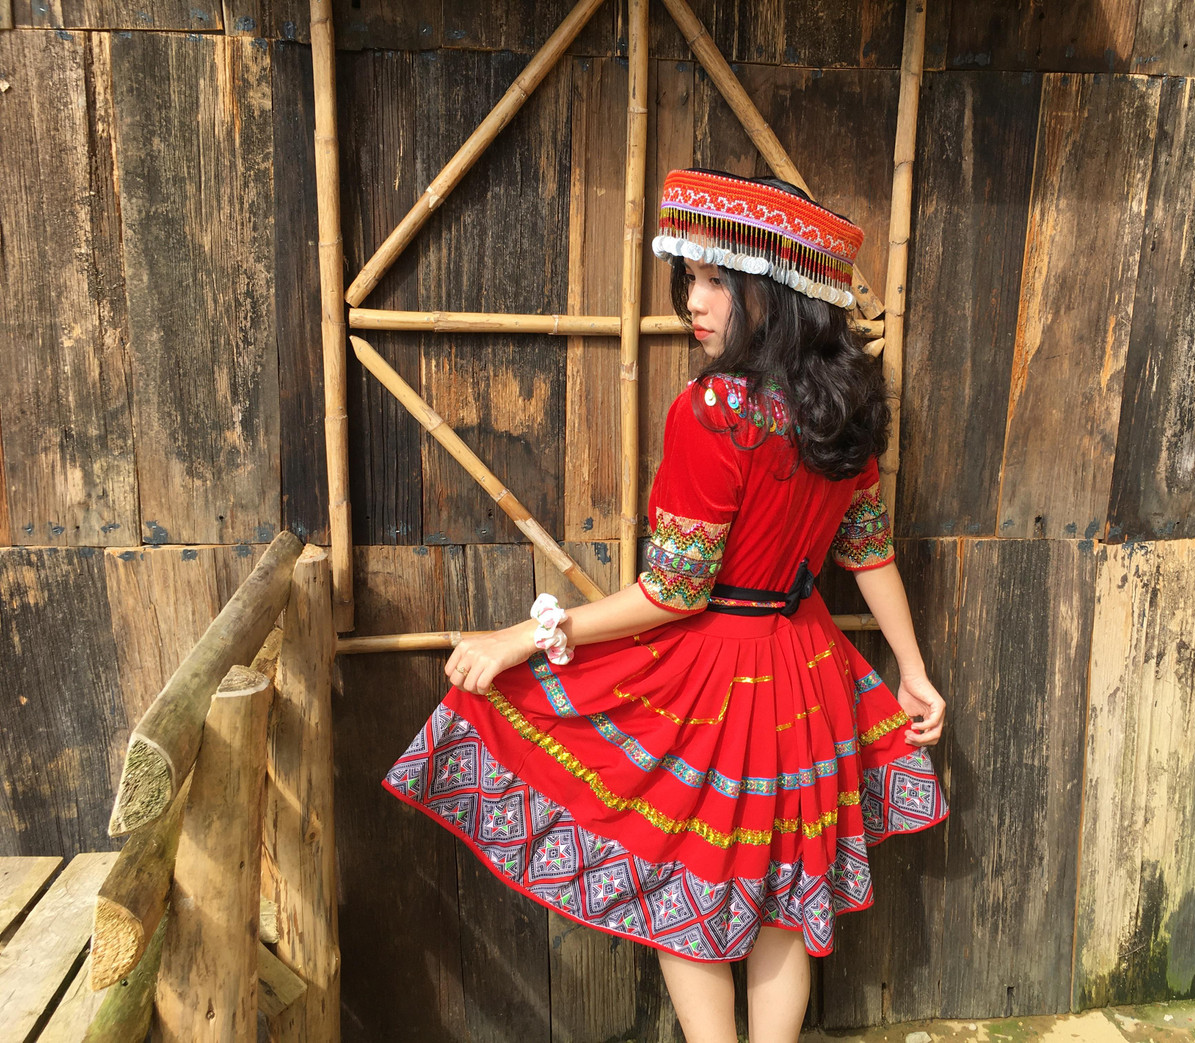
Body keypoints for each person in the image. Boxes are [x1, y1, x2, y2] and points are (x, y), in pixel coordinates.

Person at [382, 168, 948, 1043]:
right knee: (783, 896)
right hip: (809, 675)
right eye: (690, 276)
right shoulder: (843, 406)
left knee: (691, 885)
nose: (694, 299)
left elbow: (675, 592)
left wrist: (529, 634)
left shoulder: (715, 411)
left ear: (774, 292)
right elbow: (866, 549)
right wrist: (910, 670)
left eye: (718, 279)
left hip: (717, 678)